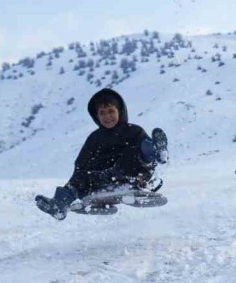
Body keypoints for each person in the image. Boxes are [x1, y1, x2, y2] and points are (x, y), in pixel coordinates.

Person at [35, 88, 168, 220]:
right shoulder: (95, 138)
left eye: (111, 111)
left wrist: (146, 175)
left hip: (133, 176)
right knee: (80, 177)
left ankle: (158, 151)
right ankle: (60, 205)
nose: (107, 117)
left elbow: (144, 157)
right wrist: (79, 183)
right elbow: (81, 165)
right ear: (97, 116)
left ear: (120, 112)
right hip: (104, 180)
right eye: (102, 113)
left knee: (138, 150)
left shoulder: (134, 131)